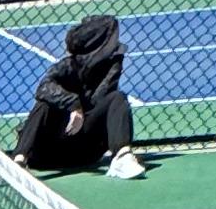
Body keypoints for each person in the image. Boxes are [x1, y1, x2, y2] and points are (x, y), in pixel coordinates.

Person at [15, 11, 146, 181]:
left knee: (117, 98)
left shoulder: (112, 63)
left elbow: (99, 100)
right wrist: (74, 104)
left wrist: (114, 65)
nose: (117, 40)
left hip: (85, 151)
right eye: (113, 37)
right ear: (100, 42)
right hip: (46, 153)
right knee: (44, 105)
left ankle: (122, 157)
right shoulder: (67, 66)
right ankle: (18, 162)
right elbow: (43, 88)